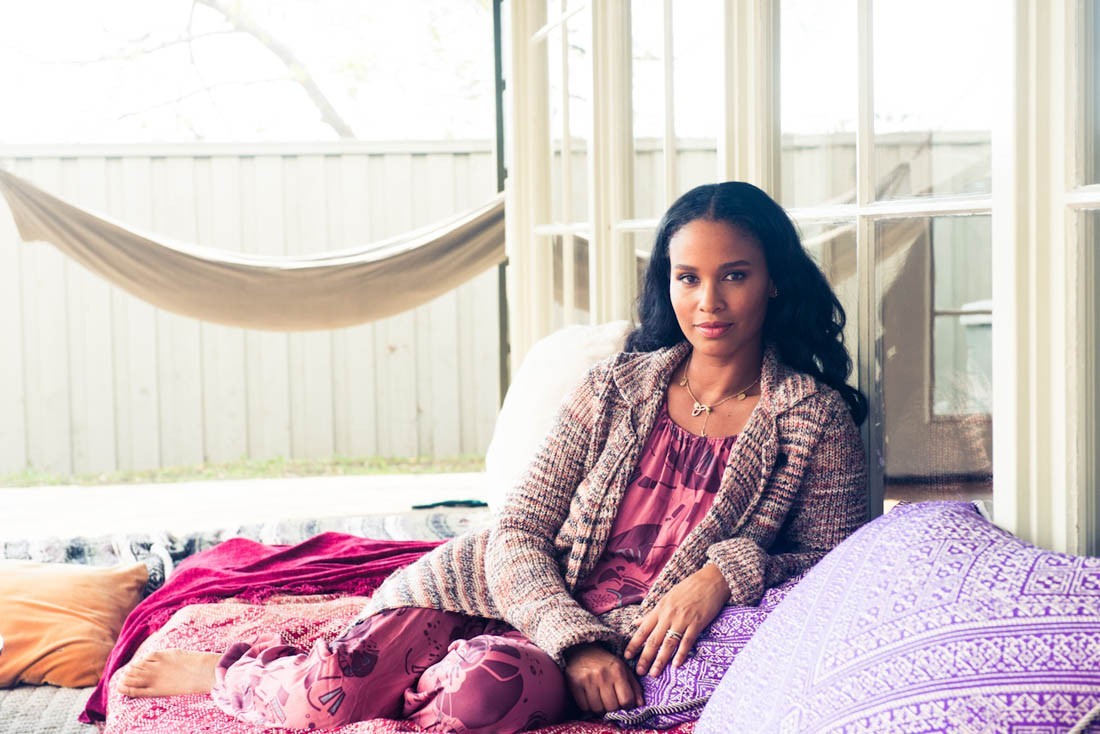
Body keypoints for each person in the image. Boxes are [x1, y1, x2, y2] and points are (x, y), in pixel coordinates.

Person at [118, 181, 868, 733]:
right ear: (666, 282)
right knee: (323, 702)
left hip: (586, 654)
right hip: (493, 594)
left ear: (774, 280)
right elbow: (518, 529)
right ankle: (236, 672)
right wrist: (573, 641)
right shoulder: (615, 387)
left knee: (476, 696)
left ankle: (380, 677)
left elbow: (834, 572)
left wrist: (724, 573)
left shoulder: (814, 419)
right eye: (688, 277)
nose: (709, 301)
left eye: (734, 274)